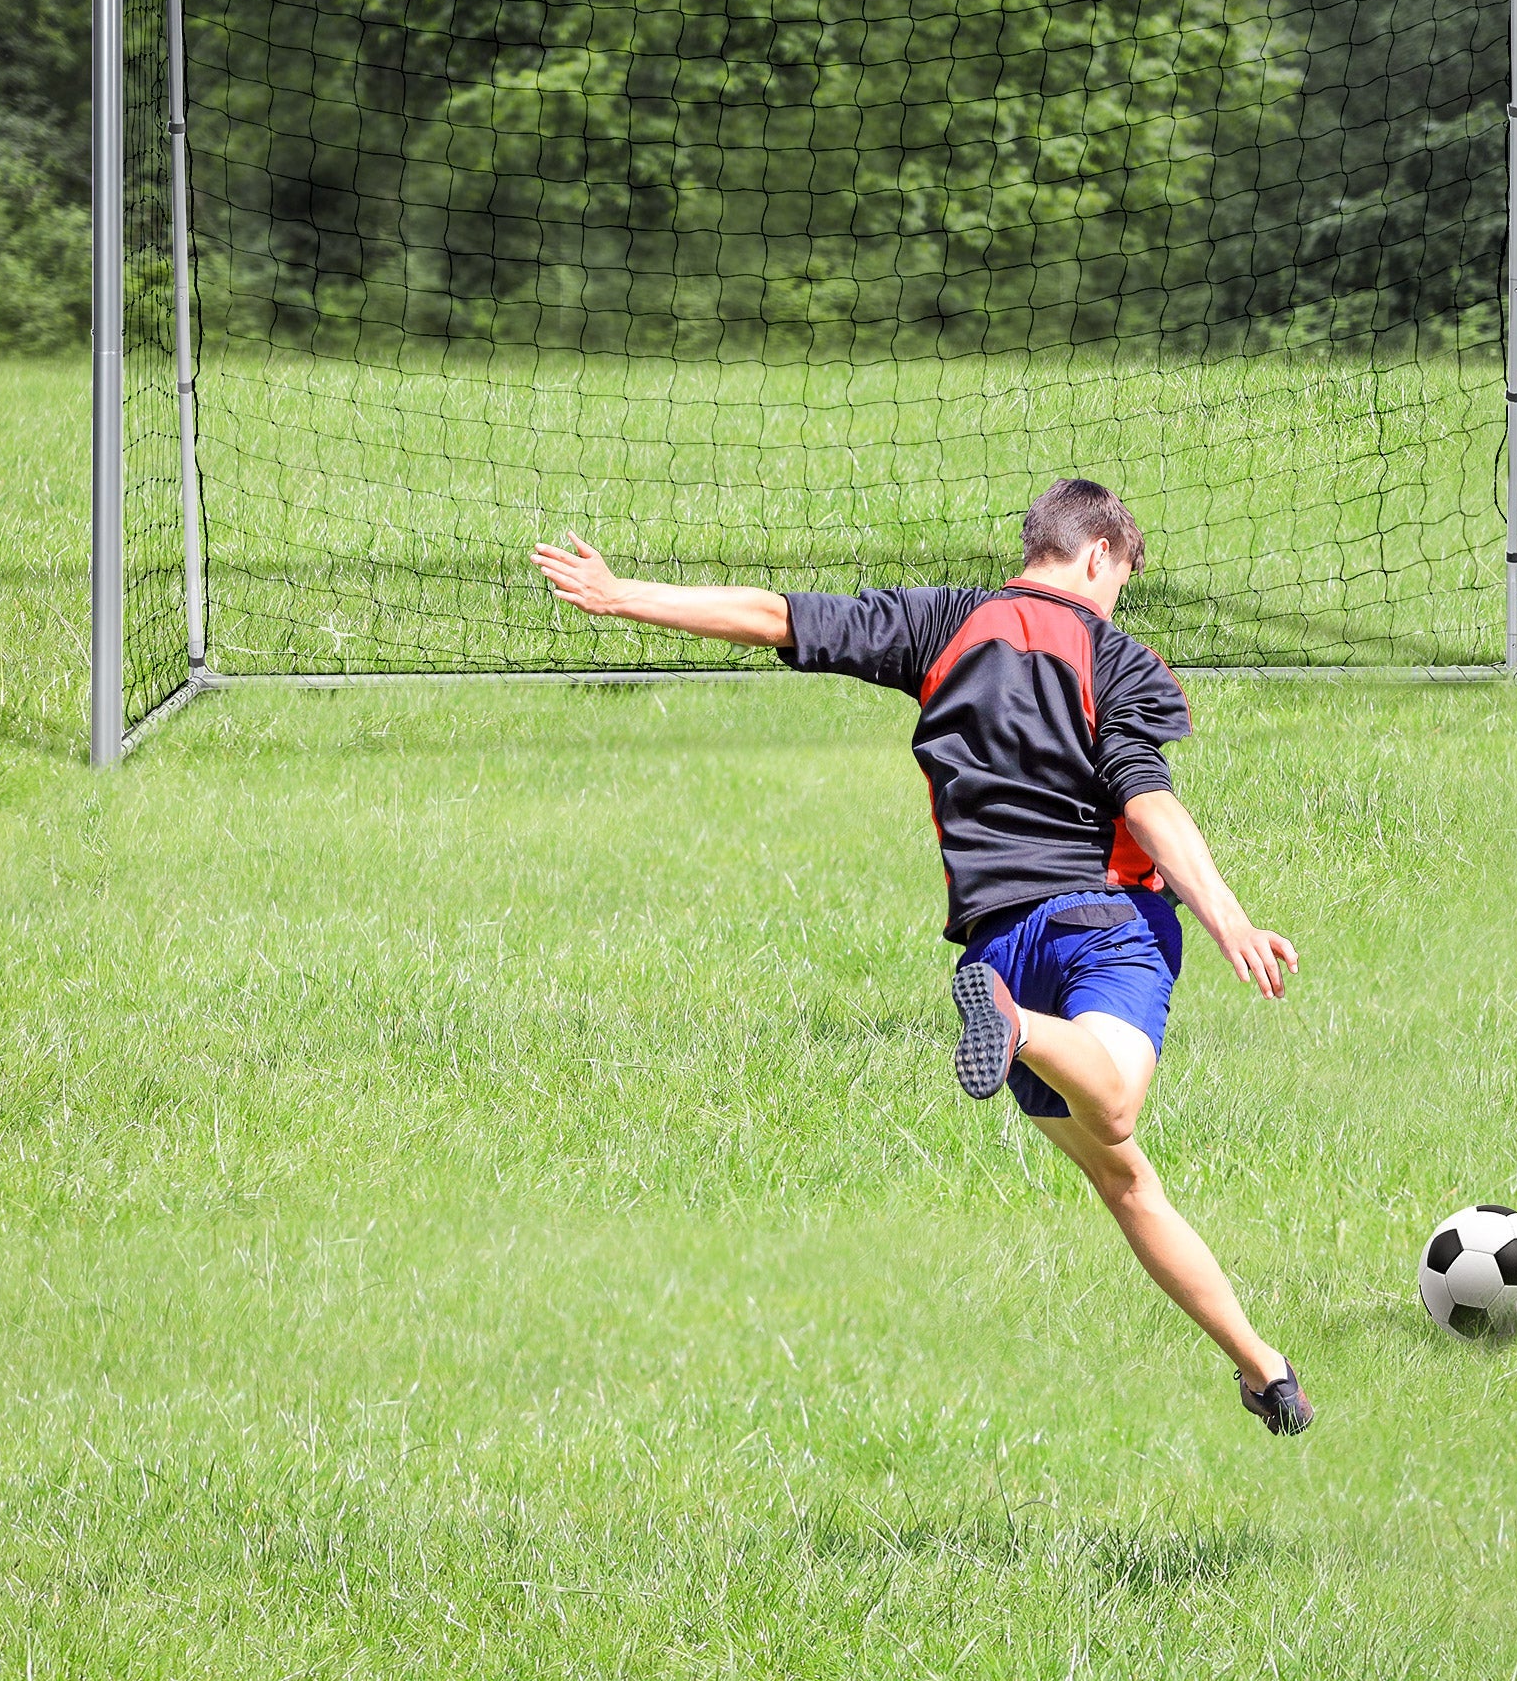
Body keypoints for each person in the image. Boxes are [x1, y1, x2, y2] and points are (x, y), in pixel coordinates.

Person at [531, 478, 1311, 1435]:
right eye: (1123, 578)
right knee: (1115, 1098)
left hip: (999, 942)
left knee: (1124, 1176)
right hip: (1102, 926)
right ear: (1100, 554)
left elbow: (777, 617)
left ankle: (1259, 1365)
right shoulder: (1118, 658)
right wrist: (1229, 914)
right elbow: (1144, 796)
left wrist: (625, 596)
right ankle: (1019, 1029)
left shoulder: (942, 622)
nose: (1118, 599)